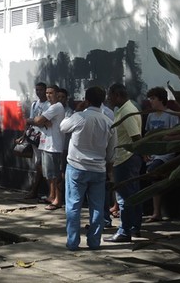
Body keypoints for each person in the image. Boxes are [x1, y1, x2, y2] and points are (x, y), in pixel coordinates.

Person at [60, 86, 117, 251]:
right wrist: (108, 168)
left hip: (76, 167)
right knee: (97, 207)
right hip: (98, 169)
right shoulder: (109, 122)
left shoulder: (79, 117)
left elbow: (63, 127)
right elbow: (112, 152)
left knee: (73, 206)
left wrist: (74, 111)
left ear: (86, 100)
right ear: (103, 100)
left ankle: (72, 242)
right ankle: (94, 242)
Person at [105, 83, 143, 243]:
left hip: (126, 158)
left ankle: (124, 230)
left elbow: (136, 137)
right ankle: (134, 227)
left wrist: (142, 153)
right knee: (133, 194)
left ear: (118, 95)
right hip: (126, 157)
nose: (108, 99)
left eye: (110, 96)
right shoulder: (124, 109)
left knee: (124, 197)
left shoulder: (127, 111)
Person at [144, 86, 180, 222]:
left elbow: (179, 137)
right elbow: (147, 135)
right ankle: (154, 210)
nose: (151, 102)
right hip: (152, 154)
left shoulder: (171, 115)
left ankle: (156, 211)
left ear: (161, 99)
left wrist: (165, 138)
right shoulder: (151, 116)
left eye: (153, 99)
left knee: (154, 173)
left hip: (165, 155)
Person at [28, 84, 66, 210]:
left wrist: (36, 120)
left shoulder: (56, 107)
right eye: (47, 93)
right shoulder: (49, 107)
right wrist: (42, 121)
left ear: (56, 94)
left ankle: (57, 200)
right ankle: (52, 196)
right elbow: (42, 121)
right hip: (46, 143)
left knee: (55, 174)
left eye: (51, 93)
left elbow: (38, 121)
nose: (48, 95)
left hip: (54, 145)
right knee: (49, 174)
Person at [23, 82, 50, 199]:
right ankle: (37, 191)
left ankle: (48, 192)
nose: (39, 92)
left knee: (44, 166)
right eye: (37, 90)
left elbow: (41, 121)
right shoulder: (35, 104)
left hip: (46, 138)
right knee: (38, 164)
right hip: (35, 138)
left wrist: (34, 121)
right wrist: (24, 135)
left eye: (41, 90)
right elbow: (29, 121)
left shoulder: (49, 105)